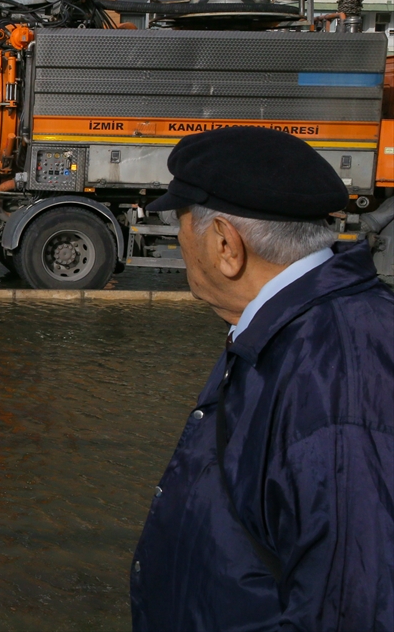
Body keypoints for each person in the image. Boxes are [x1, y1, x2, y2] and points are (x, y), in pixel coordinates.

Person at [132, 127, 394, 631]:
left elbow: (354, 607)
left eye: (182, 224)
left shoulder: (337, 382)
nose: (181, 241)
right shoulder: (294, 329)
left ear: (227, 245)